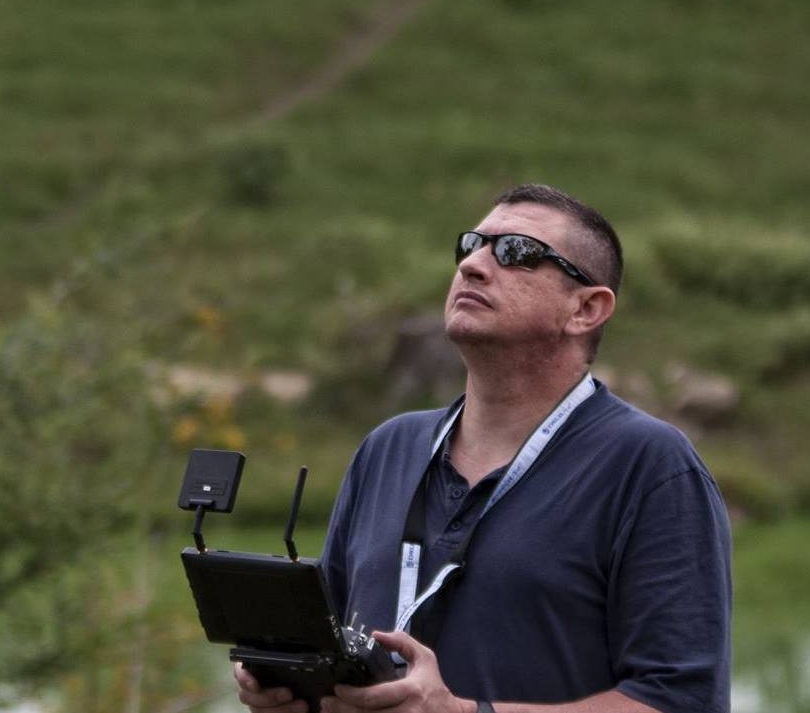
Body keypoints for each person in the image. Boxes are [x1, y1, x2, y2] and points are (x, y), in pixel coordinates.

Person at [235, 183, 731, 713]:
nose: (473, 265)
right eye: (470, 244)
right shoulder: (388, 447)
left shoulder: (650, 465)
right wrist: (293, 689)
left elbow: (681, 701)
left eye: (516, 252)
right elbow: (332, 648)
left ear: (586, 308)